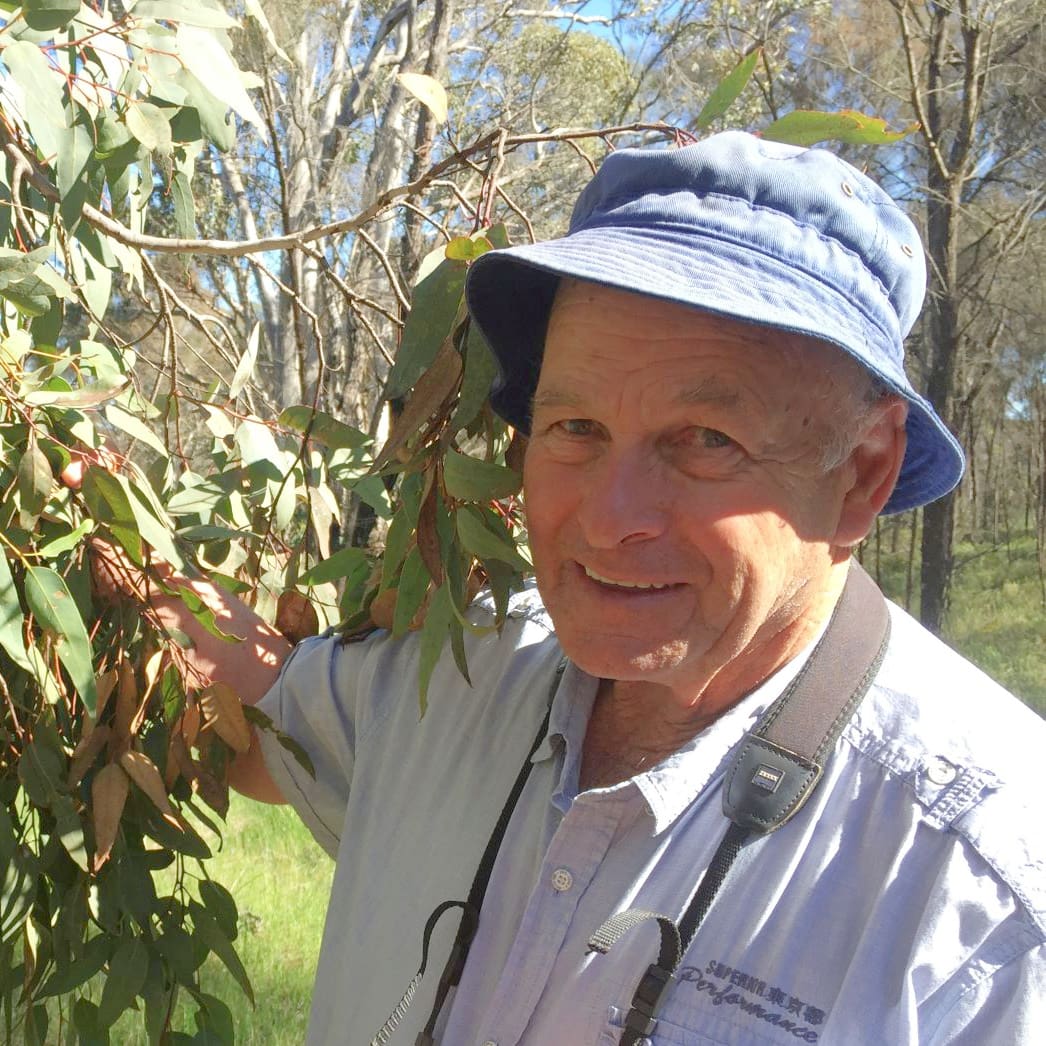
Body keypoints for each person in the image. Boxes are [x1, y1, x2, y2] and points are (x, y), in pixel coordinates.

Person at [159, 132, 1045, 1044]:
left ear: (861, 474)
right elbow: (243, 715)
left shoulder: (986, 909)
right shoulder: (455, 679)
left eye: (705, 440)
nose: (608, 516)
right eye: (575, 425)